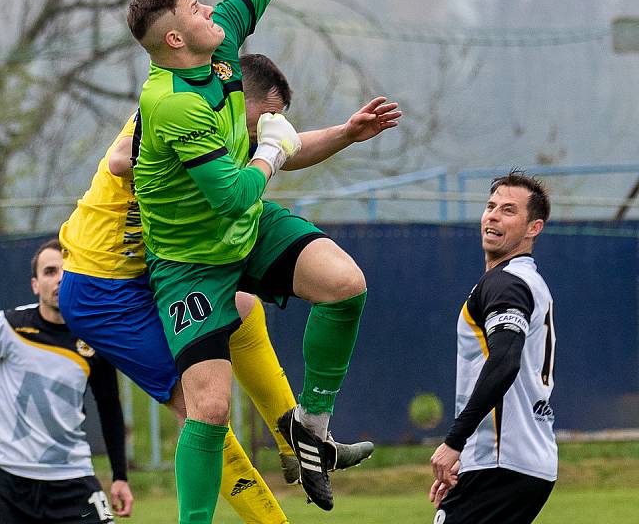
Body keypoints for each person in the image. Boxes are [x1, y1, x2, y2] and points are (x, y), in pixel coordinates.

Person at [127, 0, 373, 521]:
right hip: (189, 264)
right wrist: (270, 146)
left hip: (245, 229)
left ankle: (314, 430)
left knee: (346, 285)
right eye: (197, 10)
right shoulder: (170, 105)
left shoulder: (222, 46)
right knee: (209, 408)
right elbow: (234, 189)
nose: (213, 10)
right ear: (176, 39)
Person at [58, 51, 399, 524]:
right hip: (106, 288)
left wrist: (345, 132)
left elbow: (286, 148)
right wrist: (240, 158)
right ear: (236, 97)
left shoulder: (238, 127)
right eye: (265, 117)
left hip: (172, 259)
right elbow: (119, 160)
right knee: (205, 409)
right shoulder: (176, 111)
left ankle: (300, 438)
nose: (268, 129)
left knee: (247, 307)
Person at [0, 239, 133, 524]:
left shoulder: (94, 337)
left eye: (67, 270)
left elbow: (110, 407)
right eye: (50, 272)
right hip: (7, 482)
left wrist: (120, 476)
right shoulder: (8, 326)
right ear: (35, 284)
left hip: (72, 479)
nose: (60, 279)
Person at [429, 171, 557, 524]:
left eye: (509, 210)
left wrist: (455, 441)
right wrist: (466, 458)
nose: (494, 215)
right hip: (519, 462)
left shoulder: (507, 284)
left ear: (534, 228)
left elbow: (504, 360)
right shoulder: (527, 280)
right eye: (491, 206)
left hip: (502, 461)